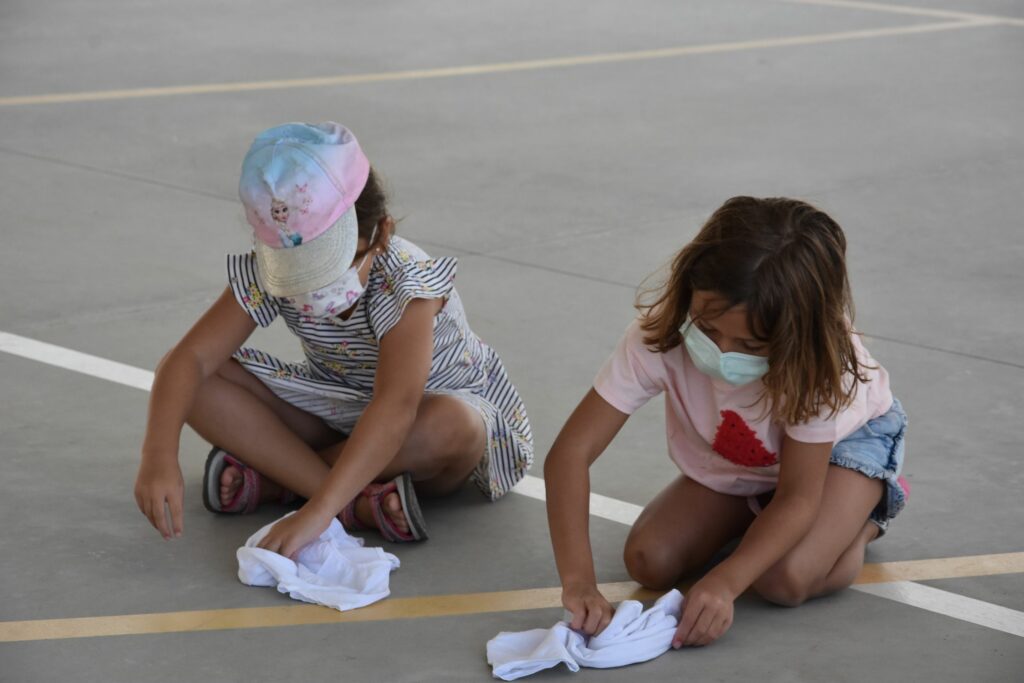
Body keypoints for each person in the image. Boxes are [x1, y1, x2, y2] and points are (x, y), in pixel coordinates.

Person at [134, 122, 533, 557]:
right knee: (191, 382)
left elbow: (396, 408)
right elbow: (188, 360)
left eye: (328, 266)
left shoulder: (405, 281)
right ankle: (356, 503)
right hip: (335, 406)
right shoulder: (269, 269)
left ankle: (285, 481)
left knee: (451, 426)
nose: (311, 290)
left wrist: (316, 513)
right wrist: (158, 455)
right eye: (297, 273)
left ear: (381, 234)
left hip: (419, 418)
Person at [543, 196, 907, 648]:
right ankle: (759, 511)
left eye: (751, 345)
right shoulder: (659, 336)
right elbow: (570, 454)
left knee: (784, 579)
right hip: (748, 459)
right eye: (709, 328)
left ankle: (864, 516)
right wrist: (578, 581)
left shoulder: (816, 366)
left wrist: (727, 582)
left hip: (843, 450)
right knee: (649, 561)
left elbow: (797, 497)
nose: (724, 352)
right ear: (689, 289)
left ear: (792, 335)